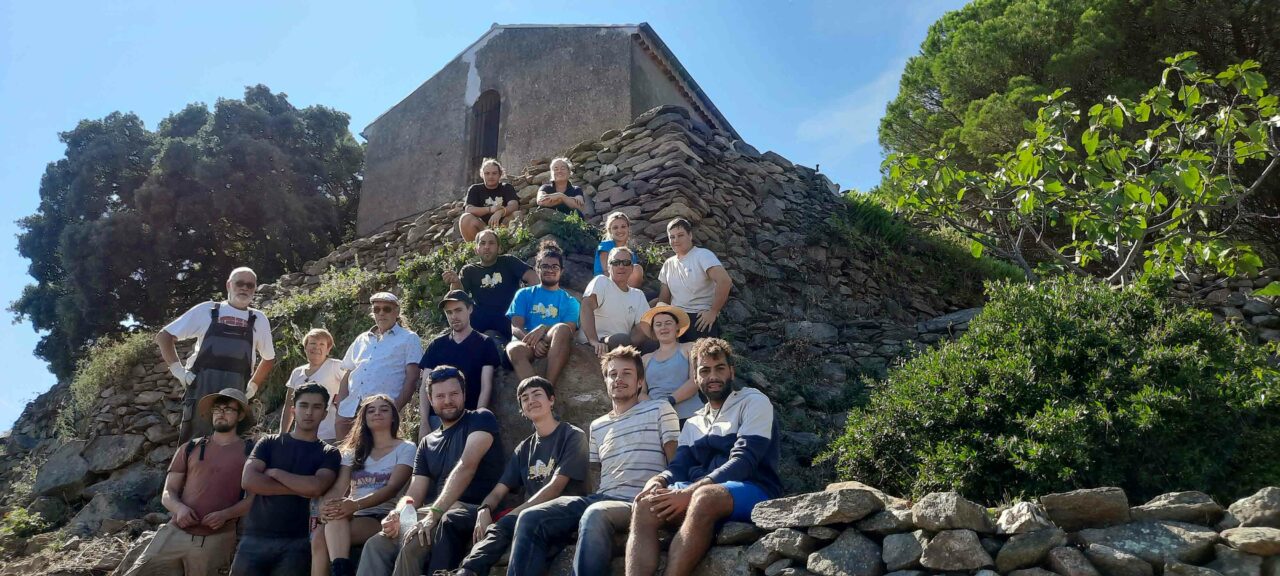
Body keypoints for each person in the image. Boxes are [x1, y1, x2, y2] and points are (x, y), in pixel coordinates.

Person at [507, 346, 680, 576]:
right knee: (530, 517)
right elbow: (596, 476)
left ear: (640, 382)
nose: (619, 379)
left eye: (627, 373)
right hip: (602, 497)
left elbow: (676, 463)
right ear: (606, 381)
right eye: (612, 374)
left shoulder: (660, 409)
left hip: (639, 501)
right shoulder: (598, 426)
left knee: (596, 513)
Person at [626, 338, 782, 576]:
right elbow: (679, 466)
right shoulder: (693, 422)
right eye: (704, 371)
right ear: (696, 378)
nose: (713, 376)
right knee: (646, 504)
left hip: (755, 487)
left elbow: (745, 461)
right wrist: (658, 480)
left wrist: (689, 492)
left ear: (732, 371)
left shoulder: (753, 402)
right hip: (702, 490)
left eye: (720, 368)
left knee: (704, 496)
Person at [356, 367, 505, 576]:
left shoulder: (481, 419)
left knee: (412, 543)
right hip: (432, 511)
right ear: (430, 398)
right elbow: (415, 492)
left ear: (464, 394)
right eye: (440, 396)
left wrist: (434, 514)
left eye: (454, 394)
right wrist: (398, 513)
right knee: (376, 544)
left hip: (469, 508)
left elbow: (466, 466)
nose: (447, 401)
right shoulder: (427, 442)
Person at [445, 377, 588, 576]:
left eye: (537, 394)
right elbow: (498, 491)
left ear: (551, 400)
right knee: (455, 519)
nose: (531, 401)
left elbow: (556, 487)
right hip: (530, 516)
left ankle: (467, 571)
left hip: (565, 510)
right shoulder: (524, 448)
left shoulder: (572, 436)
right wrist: (484, 509)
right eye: (525, 398)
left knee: (509, 523)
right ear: (521, 408)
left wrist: (516, 513)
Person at [119, 389, 254, 576]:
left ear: (240, 416)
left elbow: (255, 498)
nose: (221, 413)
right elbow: (168, 492)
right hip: (175, 533)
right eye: (217, 409)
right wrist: (179, 509)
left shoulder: (251, 452)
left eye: (228, 409)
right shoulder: (190, 447)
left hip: (217, 539)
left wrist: (226, 514)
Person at [232, 383, 342, 576]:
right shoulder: (269, 442)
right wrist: (301, 487)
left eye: (317, 407)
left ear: (325, 414)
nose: (309, 412)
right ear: (293, 409)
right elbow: (249, 481)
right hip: (254, 538)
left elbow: (316, 487)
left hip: (298, 542)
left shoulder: (329, 453)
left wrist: (276, 473)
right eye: (303, 405)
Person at [157, 266, 276, 443]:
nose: (244, 288)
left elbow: (269, 358)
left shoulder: (259, 319)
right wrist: (178, 371)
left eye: (250, 285)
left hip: (236, 391)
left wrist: (253, 385)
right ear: (228, 285)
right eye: (240, 283)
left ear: (255, 289)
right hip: (201, 388)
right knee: (194, 446)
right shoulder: (207, 310)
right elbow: (164, 336)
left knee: (231, 445)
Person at [312, 395, 416, 576]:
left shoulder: (406, 448)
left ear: (393, 417)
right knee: (319, 534)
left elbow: (392, 488)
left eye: (384, 409)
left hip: (383, 515)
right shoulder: (353, 451)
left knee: (327, 532)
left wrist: (356, 505)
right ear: (364, 417)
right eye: (371, 410)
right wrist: (326, 506)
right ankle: (341, 571)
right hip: (351, 513)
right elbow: (339, 488)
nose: (377, 413)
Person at [334, 292, 423, 440]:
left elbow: (412, 377)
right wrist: (340, 406)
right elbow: (348, 372)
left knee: (378, 456)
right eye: (376, 309)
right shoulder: (361, 339)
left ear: (397, 311)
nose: (381, 313)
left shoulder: (409, 338)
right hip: (349, 410)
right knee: (345, 458)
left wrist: (395, 409)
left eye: (386, 309)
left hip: (381, 412)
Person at [419, 290, 501, 436]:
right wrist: (424, 423)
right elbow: (425, 387)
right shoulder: (436, 345)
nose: (453, 316)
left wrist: (477, 421)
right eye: (449, 312)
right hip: (437, 419)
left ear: (469, 309)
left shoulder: (484, 343)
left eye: (458, 310)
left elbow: (486, 386)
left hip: (468, 417)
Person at [443, 229, 538, 343]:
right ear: (476, 249)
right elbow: (457, 297)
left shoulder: (509, 261)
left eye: (491, 243)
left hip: (509, 317)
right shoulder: (469, 270)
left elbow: (533, 278)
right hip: (482, 320)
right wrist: (455, 282)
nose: (487, 247)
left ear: (499, 248)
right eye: (482, 243)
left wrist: (530, 302)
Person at [506, 240, 580, 386]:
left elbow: (569, 330)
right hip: (526, 342)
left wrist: (543, 328)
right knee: (513, 348)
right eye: (545, 266)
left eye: (555, 267)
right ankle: (536, 390)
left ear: (562, 271)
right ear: (537, 268)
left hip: (553, 341)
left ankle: (548, 388)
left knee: (561, 328)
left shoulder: (570, 301)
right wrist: (534, 343)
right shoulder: (523, 294)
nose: (550, 270)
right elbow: (515, 326)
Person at [657, 219, 732, 342]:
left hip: (699, 318)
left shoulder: (702, 255)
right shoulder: (668, 264)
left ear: (690, 235)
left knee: (703, 359)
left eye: (680, 235)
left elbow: (725, 281)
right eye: (672, 237)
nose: (676, 240)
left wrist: (713, 312)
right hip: (675, 318)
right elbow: (664, 298)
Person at [582, 246, 651, 355]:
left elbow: (642, 327)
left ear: (632, 268)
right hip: (599, 342)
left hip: (624, 344)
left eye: (626, 262)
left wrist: (630, 345)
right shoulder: (601, 282)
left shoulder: (638, 295)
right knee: (620, 340)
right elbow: (586, 307)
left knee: (657, 342)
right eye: (616, 262)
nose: (621, 266)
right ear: (608, 267)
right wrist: (594, 341)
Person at [640, 305, 703, 425]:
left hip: (690, 416)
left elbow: (696, 380)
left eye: (668, 323)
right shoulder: (645, 359)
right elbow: (641, 392)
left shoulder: (689, 348)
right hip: (656, 418)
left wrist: (669, 401)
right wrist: (654, 407)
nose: (663, 327)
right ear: (653, 330)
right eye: (658, 324)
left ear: (677, 326)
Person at [281, 328, 345, 443]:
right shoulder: (297, 372)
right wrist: (282, 435)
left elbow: (354, 387)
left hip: (329, 436)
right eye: (312, 343)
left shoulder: (336, 366)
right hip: (300, 436)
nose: (316, 347)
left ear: (328, 349)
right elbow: (289, 406)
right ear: (305, 347)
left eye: (322, 344)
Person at [458, 158, 519, 242]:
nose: (490, 176)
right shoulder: (475, 189)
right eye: (487, 173)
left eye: (494, 173)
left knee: (517, 214)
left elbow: (514, 205)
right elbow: (469, 209)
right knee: (465, 218)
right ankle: (477, 250)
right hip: (482, 228)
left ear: (500, 174)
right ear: (482, 174)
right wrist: (490, 209)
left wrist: (500, 212)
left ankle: (507, 245)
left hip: (503, 225)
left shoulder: (506, 187)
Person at [594, 211, 644, 288]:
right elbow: (606, 271)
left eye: (623, 227)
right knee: (636, 269)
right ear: (610, 231)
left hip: (625, 286)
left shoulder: (630, 253)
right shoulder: (605, 245)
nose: (619, 230)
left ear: (628, 228)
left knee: (637, 269)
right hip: (605, 285)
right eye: (615, 228)